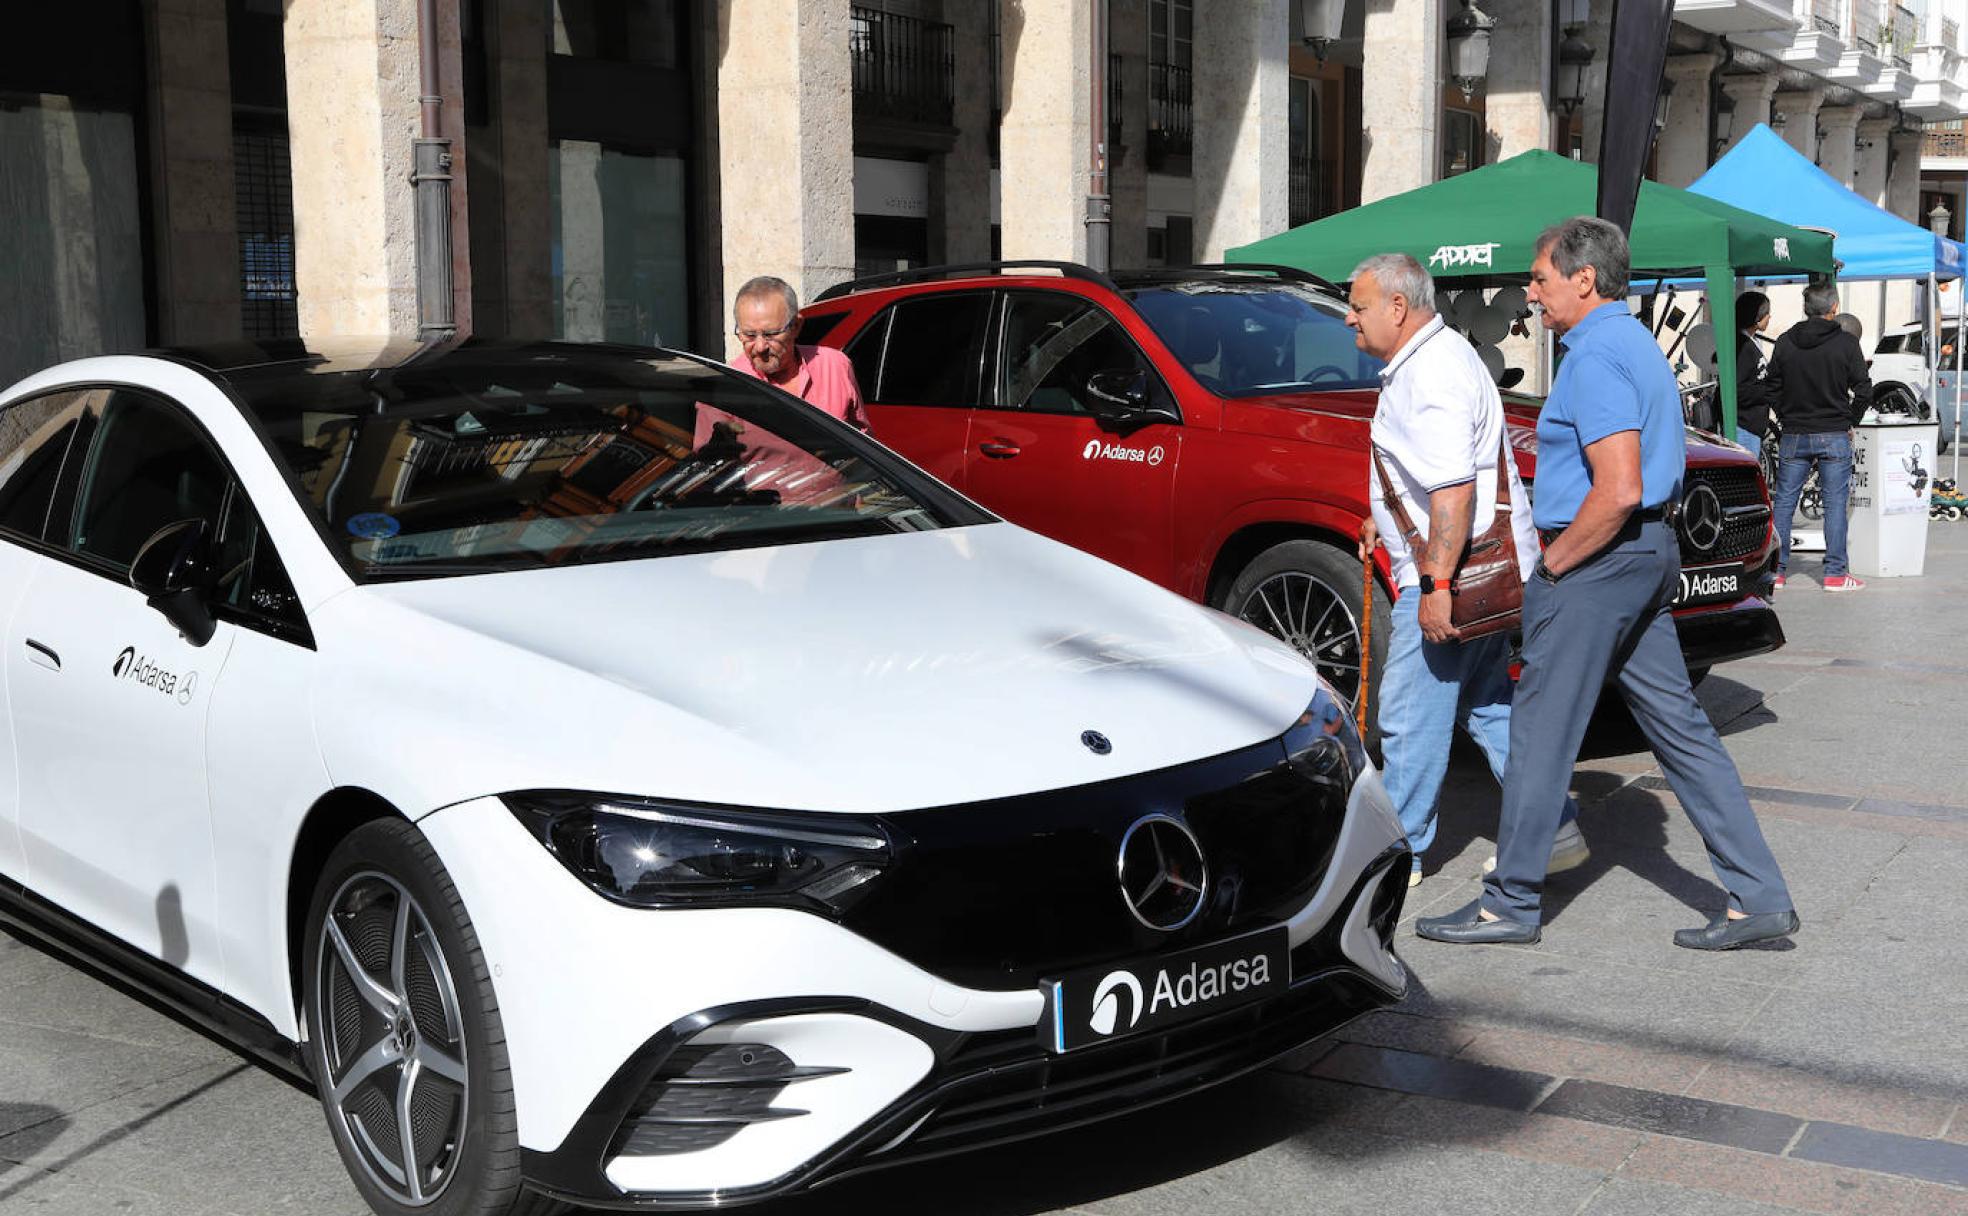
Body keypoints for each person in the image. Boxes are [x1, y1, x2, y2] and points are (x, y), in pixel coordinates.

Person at [1417, 217, 1798, 951]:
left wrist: (1553, 568)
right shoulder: (1637, 345)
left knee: (1538, 734)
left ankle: (1509, 904)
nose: (1529, 294)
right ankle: (1759, 896)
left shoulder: (1594, 358)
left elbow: (1616, 487)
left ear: (1583, 279)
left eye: (1539, 278)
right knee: (1683, 732)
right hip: (1646, 556)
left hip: (1598, 562)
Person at [1344, 254, 1583, 891]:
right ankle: (1554, 825)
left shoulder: (1432, 374)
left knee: (1409, 714)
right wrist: (1387, 518)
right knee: (1488, 706)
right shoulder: (1438, 357)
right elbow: (1441, 478)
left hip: (1454, 578)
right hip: (1474, 572)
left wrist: (1436, 587)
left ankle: (1399, 855)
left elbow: (1453, 491)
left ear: (1398, 307)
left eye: (1358, 306)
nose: (1350, 317)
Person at [1765, 280, 1871, 592]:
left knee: (1784, 502)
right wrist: (1850, 419)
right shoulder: (1846, 343)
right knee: (1835, 503)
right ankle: (1836, 573)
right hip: (1834, 431)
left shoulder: (1785, 341)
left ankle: (1777, 571)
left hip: (1795, 432)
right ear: (1834, 308)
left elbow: (1771, 387)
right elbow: (1864, 390)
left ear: (1805, 307)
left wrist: (1785, 416)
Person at [728, 275, 870, 431]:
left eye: (771, 334)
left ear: (796, 326)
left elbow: (863, 442)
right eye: (749, 335)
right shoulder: (729, 382)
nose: (760, 347)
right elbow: (711, 451)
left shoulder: (835, 367)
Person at [1732, 291, 1776, 452]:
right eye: (1767, 314)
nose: (1769, 317)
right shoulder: (1742, 346)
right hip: (1743, 426)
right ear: (1757, 317)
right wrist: (1768, 390)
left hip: (1751, 426)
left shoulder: (1751, 342)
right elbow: (1737, 390)